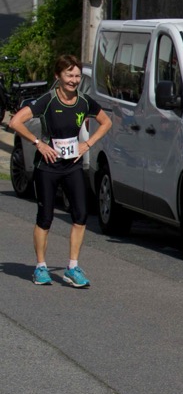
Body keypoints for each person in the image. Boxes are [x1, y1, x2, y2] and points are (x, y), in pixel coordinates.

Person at [9, 55, 113, 287]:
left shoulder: (84, 102)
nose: (74, 80)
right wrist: (39, 144)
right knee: (45, 218)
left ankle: (72, 268)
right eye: (69, 75)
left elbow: (106, 122)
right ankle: (40, 267)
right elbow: (15, 122)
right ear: (58, 76)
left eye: (77, 76)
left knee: (80, 216)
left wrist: (87, 144)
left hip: (72, 166)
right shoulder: (47, 100)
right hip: (47, 167)